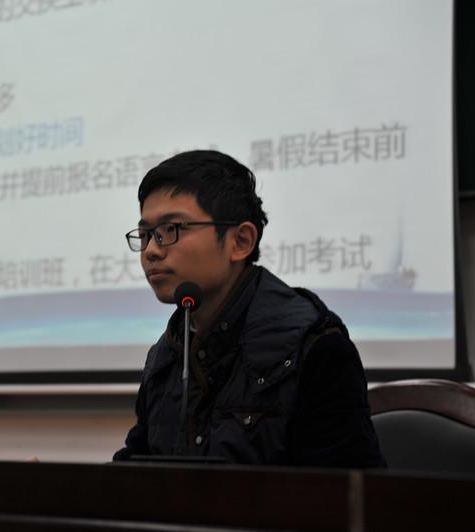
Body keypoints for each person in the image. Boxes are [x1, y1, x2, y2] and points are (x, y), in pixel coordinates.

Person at [113, 150, 386, 467]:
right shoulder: (169, 351)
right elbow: (136, 469)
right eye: (145, 234)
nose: (151, 251)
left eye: (170, 229)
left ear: (240, 241)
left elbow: (348, 490)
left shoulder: (312, 346)